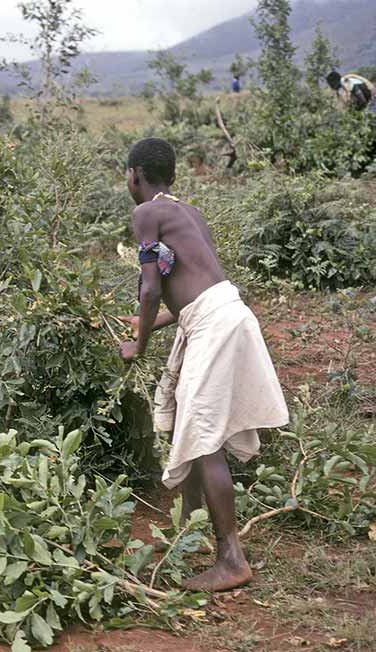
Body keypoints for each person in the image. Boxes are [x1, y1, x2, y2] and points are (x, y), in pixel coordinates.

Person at [118, 138, 288, 592]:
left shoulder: (146, 213)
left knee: (204, 435)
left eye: (128, 175)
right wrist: (149, 322)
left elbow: (152, 288)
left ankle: (231, 559)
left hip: (215, 324)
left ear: (134, 174)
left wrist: (139, 342)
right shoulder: (188, 212)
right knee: (189, 422)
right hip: (227, 312)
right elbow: (195, 289)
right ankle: (190, 530)